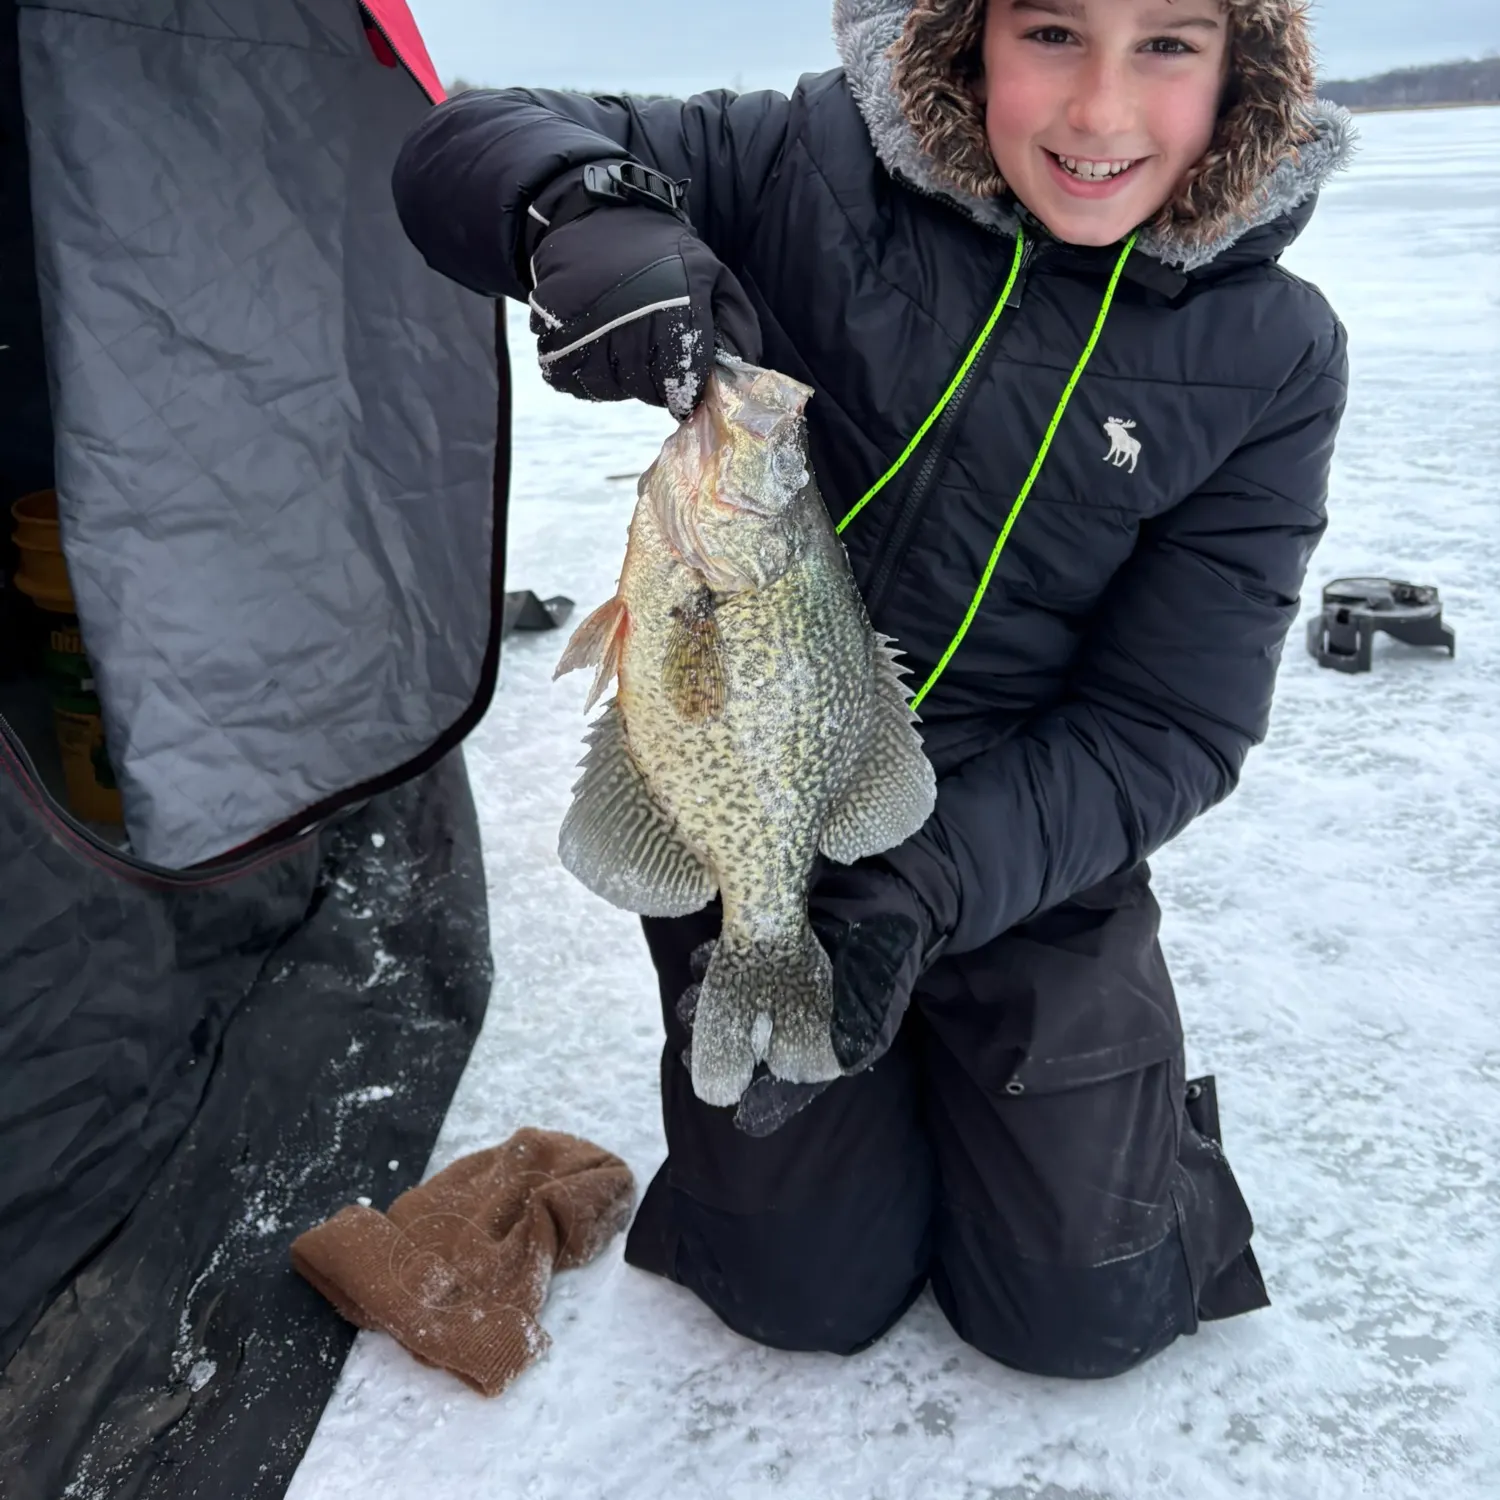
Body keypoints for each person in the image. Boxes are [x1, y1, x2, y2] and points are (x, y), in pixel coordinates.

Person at [391, 0, 1351, 1379]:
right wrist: (579, 213)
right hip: (752, 814)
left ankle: (1091, 1120)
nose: (1099, 112)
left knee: (1084, 1310)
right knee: (797, 1291)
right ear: (970, 34)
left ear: (1241, 67)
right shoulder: (801, 163)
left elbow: (1170, 723)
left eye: (1167, 44)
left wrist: (927, 881)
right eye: (1052, 32)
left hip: (1025, 852)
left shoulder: (1273, 351)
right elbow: (467, 137)